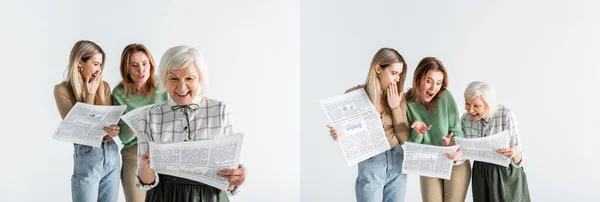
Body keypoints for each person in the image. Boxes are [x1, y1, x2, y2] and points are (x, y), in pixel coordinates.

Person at [135, 45, 246, 202]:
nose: (181, 87)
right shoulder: (149, 115)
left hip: (210, 196)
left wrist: (237, 177)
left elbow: (230, 178)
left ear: (200, 78)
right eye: (173, 78)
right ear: (164, 79)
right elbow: (145, 183)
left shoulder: (220, 110)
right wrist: (145, 167)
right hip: (164, 196)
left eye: (189, 78)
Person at [328, 47, 410, 202]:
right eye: (394, 73)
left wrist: (395, 107)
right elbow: (347, 133)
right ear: (378, 68)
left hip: (397, 159)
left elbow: (404, 138)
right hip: (371, 162)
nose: (398, 79)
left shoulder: (399, 97)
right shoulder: (354, 95)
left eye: (399, 74)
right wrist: (339, 134)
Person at [53, 40, 120, 202]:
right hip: (87, 155)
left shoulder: (104, 86)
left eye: (101, 65)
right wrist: (89, 94)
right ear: (79, 63)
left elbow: (107, 129)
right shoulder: (62, 90)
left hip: (111, 153)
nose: (99, 69)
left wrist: (112, 132)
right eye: (96, 64)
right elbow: (79, 130)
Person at [405, 57, 469, 202]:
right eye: (429, 81)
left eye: (438, 83)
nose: (434, 88)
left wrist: (452, 144)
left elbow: (457, 132)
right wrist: (418, 132)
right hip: (429, 163)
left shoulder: (445, 97)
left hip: (454, 163)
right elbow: (412, 145)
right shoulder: (407, 102)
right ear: (418, 79)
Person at [112, 43, 168, 201]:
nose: (141, 70)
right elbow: (123, 137)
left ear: (150, 63)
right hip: (134, 152)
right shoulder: (119, 93)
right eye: (134, 65)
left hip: (163, 150)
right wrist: (131, 129)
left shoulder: (162, 85)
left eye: (144, 64)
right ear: (126, 69)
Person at [461, 81, 530, 202]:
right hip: (480, 173)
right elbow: (463, 153)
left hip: (506, 174)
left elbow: (519, 160)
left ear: (488, 104)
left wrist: (516, 153)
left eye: (476, 106)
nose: (470, 110)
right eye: (467, 104)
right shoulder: (465, 119)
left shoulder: (506, 116)